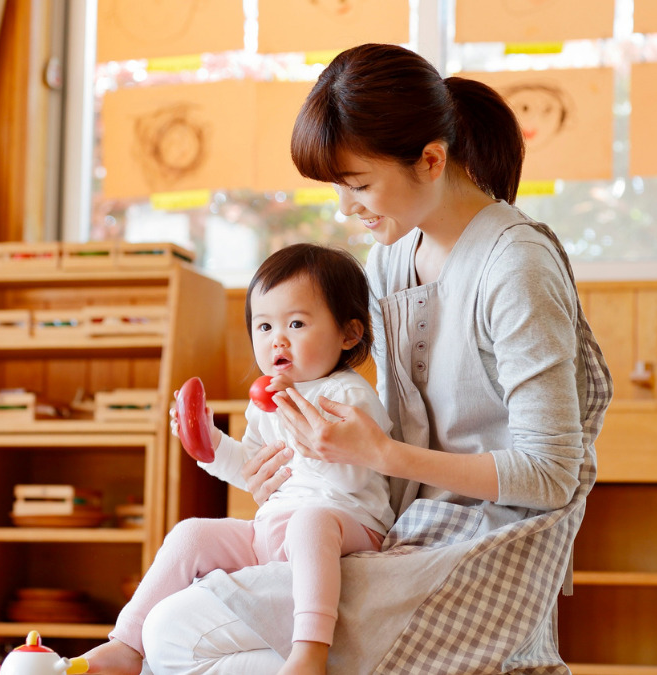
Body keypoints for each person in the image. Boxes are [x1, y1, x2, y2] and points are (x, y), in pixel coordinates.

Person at [80, 42, 613, 675]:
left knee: (182, 632)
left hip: (486, 549)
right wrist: (293, 468)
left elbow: (551, 474)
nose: (345, 208)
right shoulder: (390, 259)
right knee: (178, 619)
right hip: (402, 532)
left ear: (432, 159)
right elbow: (380, 429)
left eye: (358, 185)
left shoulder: (515, 264)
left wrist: (378, 456)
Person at [103, 243, 394, 675]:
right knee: (191, 533)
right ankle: (125, 644)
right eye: (263, 326)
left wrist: (311, 439)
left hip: (344, 524)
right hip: (273, 529)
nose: (277, 338)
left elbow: (353, 478)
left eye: (296, 323)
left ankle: (310, 650)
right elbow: (259, 472)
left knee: (310, 522)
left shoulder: (345, 394)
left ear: (348, 334)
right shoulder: (265, 403)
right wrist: (210, 445)